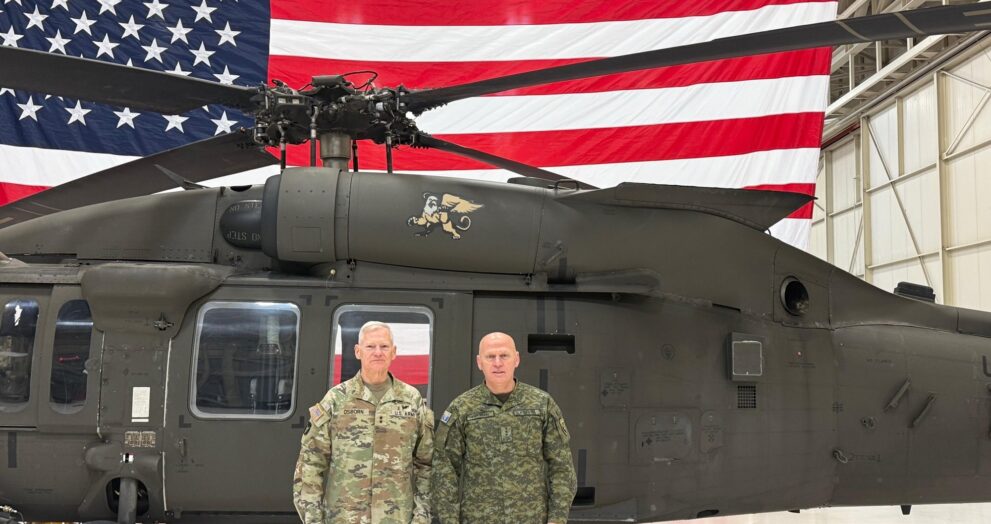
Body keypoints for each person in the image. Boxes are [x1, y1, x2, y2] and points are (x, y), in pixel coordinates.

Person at [293, 321, 433, 524]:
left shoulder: (412, 400)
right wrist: (313, 519)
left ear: (394, 352)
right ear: (358, 352)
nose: (378, 352)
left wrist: (421, 518)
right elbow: (311, 462)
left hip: (396, 518)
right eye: (370, 346)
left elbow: (427, 465)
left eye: (384, 346)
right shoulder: (336, 399)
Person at [433, 332, 577, 524]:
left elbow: (561, 465)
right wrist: (449, 520)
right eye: (490, 357)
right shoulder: (461, 408)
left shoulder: (541, 404)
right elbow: (444, 469)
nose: (498, 363)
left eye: (504, 355)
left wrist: (557, 519)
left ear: (516, 359)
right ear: (479, 362)